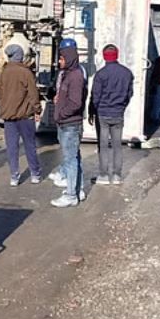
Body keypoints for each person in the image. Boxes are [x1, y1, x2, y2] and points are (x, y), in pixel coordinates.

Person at [0, 44, 43, 187]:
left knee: (12, 147)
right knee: (30, 145)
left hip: (8, 117)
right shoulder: (26, 73)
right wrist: (37, 110)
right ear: (20, 56)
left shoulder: (3, 73)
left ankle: (14, 176)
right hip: (25, 116)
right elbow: (33, 94)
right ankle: (35, 174)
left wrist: (3, 105)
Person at [89, 44, 134, 185]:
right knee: (117, 145)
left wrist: (92, 111)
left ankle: (103, 175)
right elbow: (129, 94)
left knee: (103, 145)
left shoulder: (100, 74)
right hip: (118, 113)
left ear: (104, 56)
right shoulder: (127, 73)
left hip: (102, 114)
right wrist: (122, 106)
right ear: (117, 55)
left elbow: (95, 96)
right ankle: (117, 176)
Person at [50, 46, 88, 208]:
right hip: (67, 124)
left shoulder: (76, 77)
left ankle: (71, 195)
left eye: (62, 58)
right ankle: (77, 189)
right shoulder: (68, 75)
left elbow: (75, 103)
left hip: (70, 125)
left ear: (69, 59)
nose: (59, 61)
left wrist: (61, 114)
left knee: (70, 160)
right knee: (74, 158)